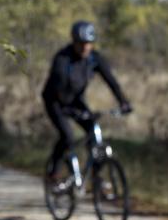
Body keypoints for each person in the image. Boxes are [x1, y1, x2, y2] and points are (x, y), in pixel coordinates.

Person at [42, 21, 132, 179]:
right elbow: (58, 85)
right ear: (74, 42)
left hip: (75, 100)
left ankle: (96, 178)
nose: (85, 47)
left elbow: (111, 81)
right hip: (55, 101)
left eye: (89, 44)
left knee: (93, 131)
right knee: (68, 136)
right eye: (82, 44)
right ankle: (54, 170)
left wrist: (123, 102)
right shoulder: (62, 58)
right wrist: (69, 111)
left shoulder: (94, 59)